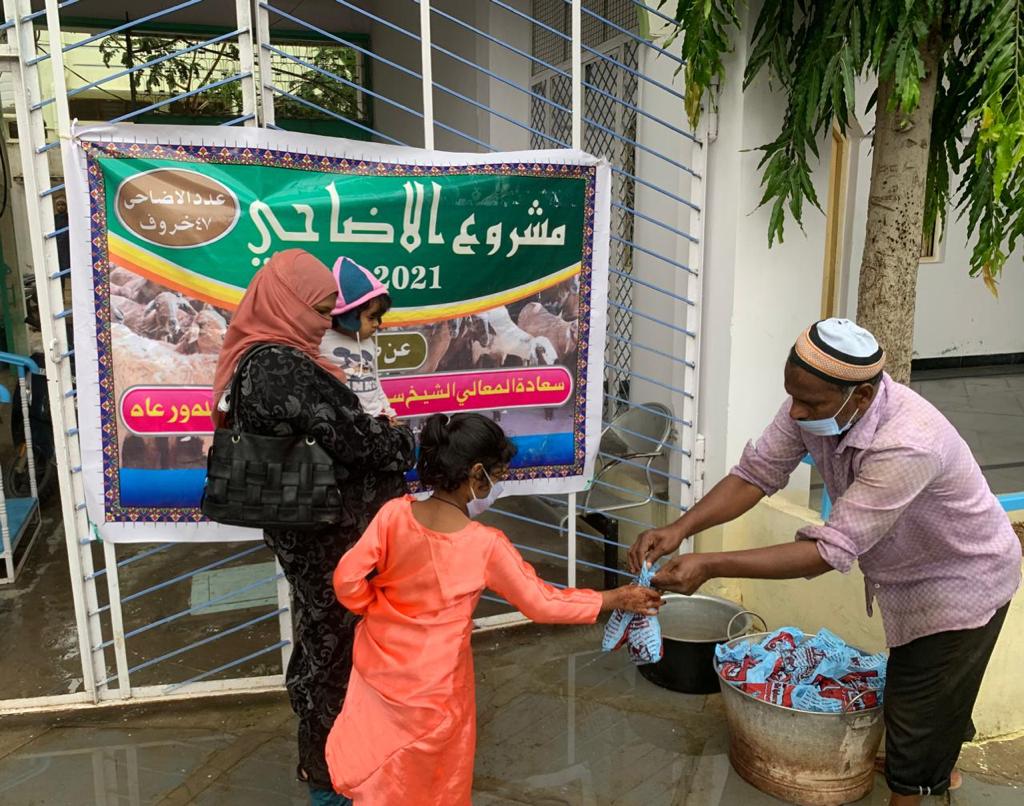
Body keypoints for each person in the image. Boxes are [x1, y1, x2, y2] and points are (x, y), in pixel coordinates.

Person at [630, 318, 1021, 806]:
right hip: (909, 574)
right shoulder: (817, 405)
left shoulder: (908, 442)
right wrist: (680, 529)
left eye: (809, 403)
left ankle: (918, 783)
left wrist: (709, 565)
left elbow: (825, 551)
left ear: (861, 396)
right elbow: (755, 474)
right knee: (929, 690)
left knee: (918, 704)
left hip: (962, 578)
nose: (796, 411)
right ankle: (935, 760)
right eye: (792, 397)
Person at [325, 413, 663, 805]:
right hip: (436, 692)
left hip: (379, 672)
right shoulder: (485, 545)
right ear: (476, 474)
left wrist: (375, 607)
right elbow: (541, 603)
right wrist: (612, 598)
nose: (497, 486)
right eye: (498, 476)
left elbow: (345, 580)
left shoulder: (393, 515)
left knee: (383, 776)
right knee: (436, 787)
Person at [211, 248, 415, 806]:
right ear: (286, 302)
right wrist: (404, 440)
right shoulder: (278, 366)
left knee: (324, 642)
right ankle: (331, 780)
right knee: (334, 653)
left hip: (316, 531)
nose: (327, 323)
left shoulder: (274, 358)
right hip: (328, 537)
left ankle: (334, 765)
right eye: (320, 310)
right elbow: (358, 441)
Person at [320, 256, 396, 419]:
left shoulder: (368, 342)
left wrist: (389, 411)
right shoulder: (321, 340)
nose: (377, 324)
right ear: (349, 315)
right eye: (371, 317)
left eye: (379, 318)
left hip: (375, 420)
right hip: (344, 422)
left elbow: (375, 380)